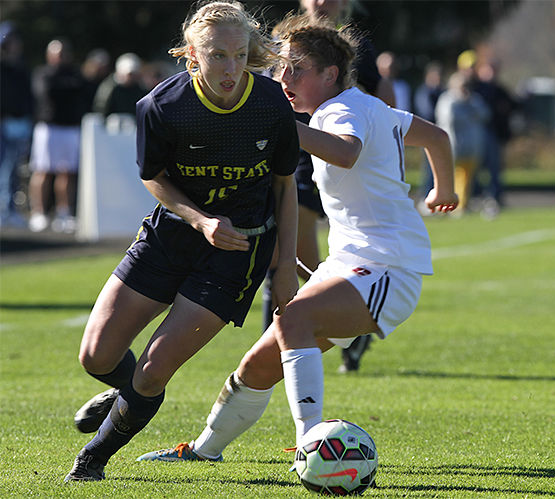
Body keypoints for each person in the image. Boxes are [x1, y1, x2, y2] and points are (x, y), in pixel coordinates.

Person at [134, 13, 457, 464]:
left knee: (291, 323)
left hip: (387, 268)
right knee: (257, 366)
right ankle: (204, 451)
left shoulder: (343, 110)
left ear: (331, 74)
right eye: (280, 67)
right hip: (351, 266)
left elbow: (345, 152)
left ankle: (313, 448)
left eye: (297, 68)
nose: (283, 77)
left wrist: (278, 125)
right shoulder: (371, 107)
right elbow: (438, 138)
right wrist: (445, 188)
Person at [63, 0, 299, 482]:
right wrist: (199, 218)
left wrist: (286, 267)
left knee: (152, 371)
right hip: (172, 235)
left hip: (235, 254)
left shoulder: (272, 103)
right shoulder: (161, 106)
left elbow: (284, 185)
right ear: (193, 54)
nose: (230, 68)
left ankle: (92, 460)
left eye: (238, 55)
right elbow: (153, 177)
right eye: (217, 56)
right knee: (96, 356)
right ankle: (128, 396)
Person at [261, 0, 396, 373]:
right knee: (285, 246)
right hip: (291, 148)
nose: (321, 1)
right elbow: (266, 88)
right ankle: (315, 312)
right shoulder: (282, 39)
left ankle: (339, 313)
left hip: (333, 150)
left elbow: (383, 97)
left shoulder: (355, 46)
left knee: (309, 243)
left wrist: (387, 141)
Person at [28, 38, 87, 233]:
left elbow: (79, 92)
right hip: (49, 128)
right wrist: (66, 89)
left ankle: (64, 213)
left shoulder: (75, 74)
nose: (61, 57)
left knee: (67, 172)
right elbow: (47, 93)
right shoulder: (43, 73)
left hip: (70, 128)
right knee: (43, 170)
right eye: (57, 54)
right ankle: (39, 212)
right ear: (50, 55)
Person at [435, 71, 489, 213]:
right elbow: (449, 118)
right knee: (451, 179)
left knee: (466, 179)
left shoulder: (473, 99)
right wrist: (468, 112)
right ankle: (451, 206)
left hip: (472, 146)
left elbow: (485, 114)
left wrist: (469, 105)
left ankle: (461, 205)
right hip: (453, 146)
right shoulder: (448, 100)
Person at [471, 57, 517, 214]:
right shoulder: (476, 88)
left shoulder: (499, 90)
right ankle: (476, 196)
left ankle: (495, 196)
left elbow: (512, 105)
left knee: (494, 167)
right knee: (474, 167)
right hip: (477, 134)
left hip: (494, 134)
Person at [0, 22, 33, 228]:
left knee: (14, 168)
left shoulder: (21, 66)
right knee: (5, 166)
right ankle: (4, 209)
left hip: (19, 123)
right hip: (3, 123)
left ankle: (10, 208)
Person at [413, 60, 444, 213]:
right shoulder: (424, 92)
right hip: (427, 136)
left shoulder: (441, 92)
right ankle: (425, 197)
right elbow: (427, 112)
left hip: (437, 136)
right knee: (428, 169)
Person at [93, 52, 148, 118]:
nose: (133, 77)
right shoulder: (109, 88)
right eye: (130, 74)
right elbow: (101, 110)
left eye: (135, 74)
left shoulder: (139, 89)